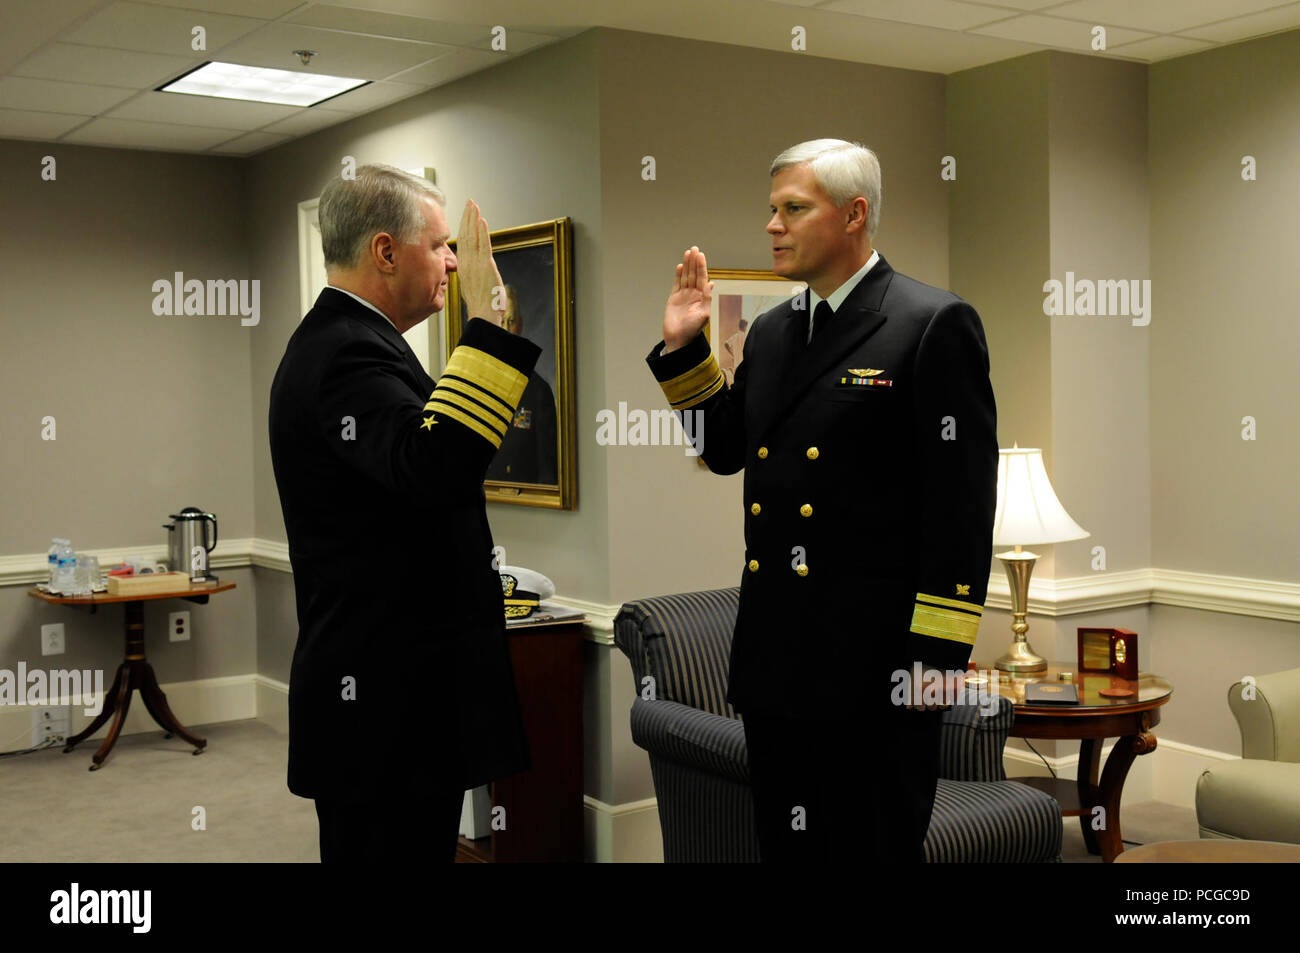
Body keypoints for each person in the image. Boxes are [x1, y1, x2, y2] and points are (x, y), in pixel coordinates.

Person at [645, 139, 997, 862]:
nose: (773, 225)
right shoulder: (772, 331)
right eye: (772, 210)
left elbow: (960, 517)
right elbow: (726, 451)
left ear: (854, 214)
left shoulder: (931, 322)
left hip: (878, 673)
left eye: (793, 209)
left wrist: (931, 672)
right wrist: (685, 349)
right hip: (778, 665)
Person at [269, 164, 540, 863]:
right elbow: (434, 467)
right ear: (386, 251)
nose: (454, 260)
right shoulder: (345, 354)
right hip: (383, 712)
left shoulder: (356, 343)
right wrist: (486, 328)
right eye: (441, 244)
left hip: (397, 705)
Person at [485, 285, 559, 484]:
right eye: (501, 322)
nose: (507, 330)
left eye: (511, 321)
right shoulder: (478, 385)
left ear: (521, 325)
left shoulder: (538, 391)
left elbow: (547, 471)